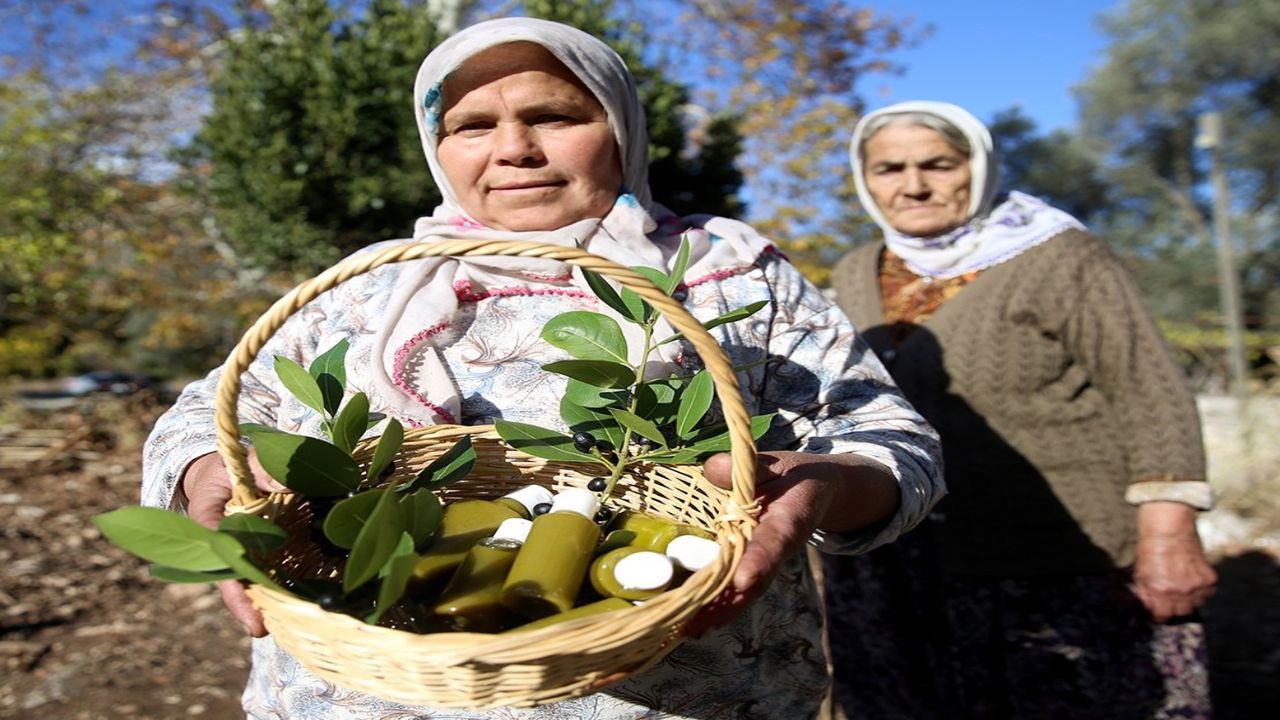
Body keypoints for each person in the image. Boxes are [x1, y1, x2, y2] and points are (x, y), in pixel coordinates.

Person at [141, 19, 944, 719]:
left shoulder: (731, 276)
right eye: (472, 126)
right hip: (368, 697)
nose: (514, 149)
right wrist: (208, 471)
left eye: (555, 116)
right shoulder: (366, 287)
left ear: (621, 128)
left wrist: (824, 484)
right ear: (436, 146)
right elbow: (206, 414)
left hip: (696, 694)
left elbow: (888, 441)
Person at [822, 100, 1218, 720]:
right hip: (895, 557)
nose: (914, 185)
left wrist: (1168, 532)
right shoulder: (854, 272)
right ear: (864, 179)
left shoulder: (1060, 257)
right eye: (889, 169)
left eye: (938, 164)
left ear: (976, 167)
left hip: (1051, 552)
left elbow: (1149, 389)